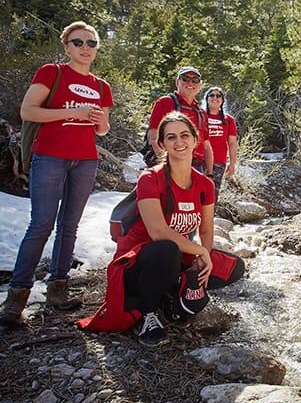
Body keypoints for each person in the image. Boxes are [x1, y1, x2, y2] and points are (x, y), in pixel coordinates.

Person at [76, 112, 245, 346]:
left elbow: (206, 230)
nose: (179, 142)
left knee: (234, 267)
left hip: (176, 258)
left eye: (185, 135)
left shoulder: (205, 184)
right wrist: (201, 251)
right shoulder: (150, 178)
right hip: (139, 264)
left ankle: (171, 291)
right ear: (162, 143)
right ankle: (148, 314)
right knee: (166, 248)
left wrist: (202, 258)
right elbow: (158, 232)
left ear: (195, 139)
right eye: (171, 137)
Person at [1, 21, 113, 328]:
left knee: (69, 225)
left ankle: (58, 290)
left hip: (86, 160)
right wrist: (70, 112)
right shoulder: (52, 72)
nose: (86, 48)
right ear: (67, 46)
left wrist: (97, 119)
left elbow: (102, 129)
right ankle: (16, 300)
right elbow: (28, 111)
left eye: (92, 43)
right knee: (41, 224)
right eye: (79, 42)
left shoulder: (102, 86)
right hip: (50, 157)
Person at [147, 66, 213, 177]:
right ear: (177, 82)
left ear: (200, 85)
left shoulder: (201, 112)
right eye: (185, 78)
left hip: (197, 168)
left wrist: (210, 174)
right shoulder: (166, 102)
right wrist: (167, 165)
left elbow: (206, 145)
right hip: (172, 165)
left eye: (195, 80)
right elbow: (154, 137)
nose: (190, 83)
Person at [202, 86, 238, 199]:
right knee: (197, 192)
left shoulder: (229, 120)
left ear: (222, 100)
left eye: (218, 96)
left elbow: (232, 143)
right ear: (206, 99)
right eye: (211, 95)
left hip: (219, 162)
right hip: (199, 161)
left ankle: (210, 216)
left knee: (213, 193)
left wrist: (232, 163)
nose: (215, 98)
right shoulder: (200, 116)